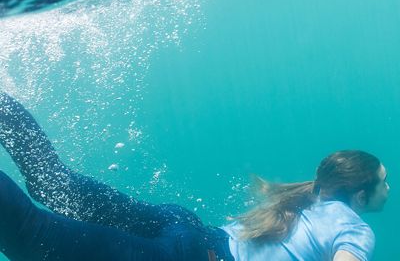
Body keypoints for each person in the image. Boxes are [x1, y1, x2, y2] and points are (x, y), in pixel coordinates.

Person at [0, 93, 389, 261]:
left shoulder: (312, 198)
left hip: (186, 227)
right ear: (359, 195)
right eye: (383, 182)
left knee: (54, 183)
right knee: (33, 236)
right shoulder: (356, 230)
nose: (389, 188)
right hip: (186, 255)